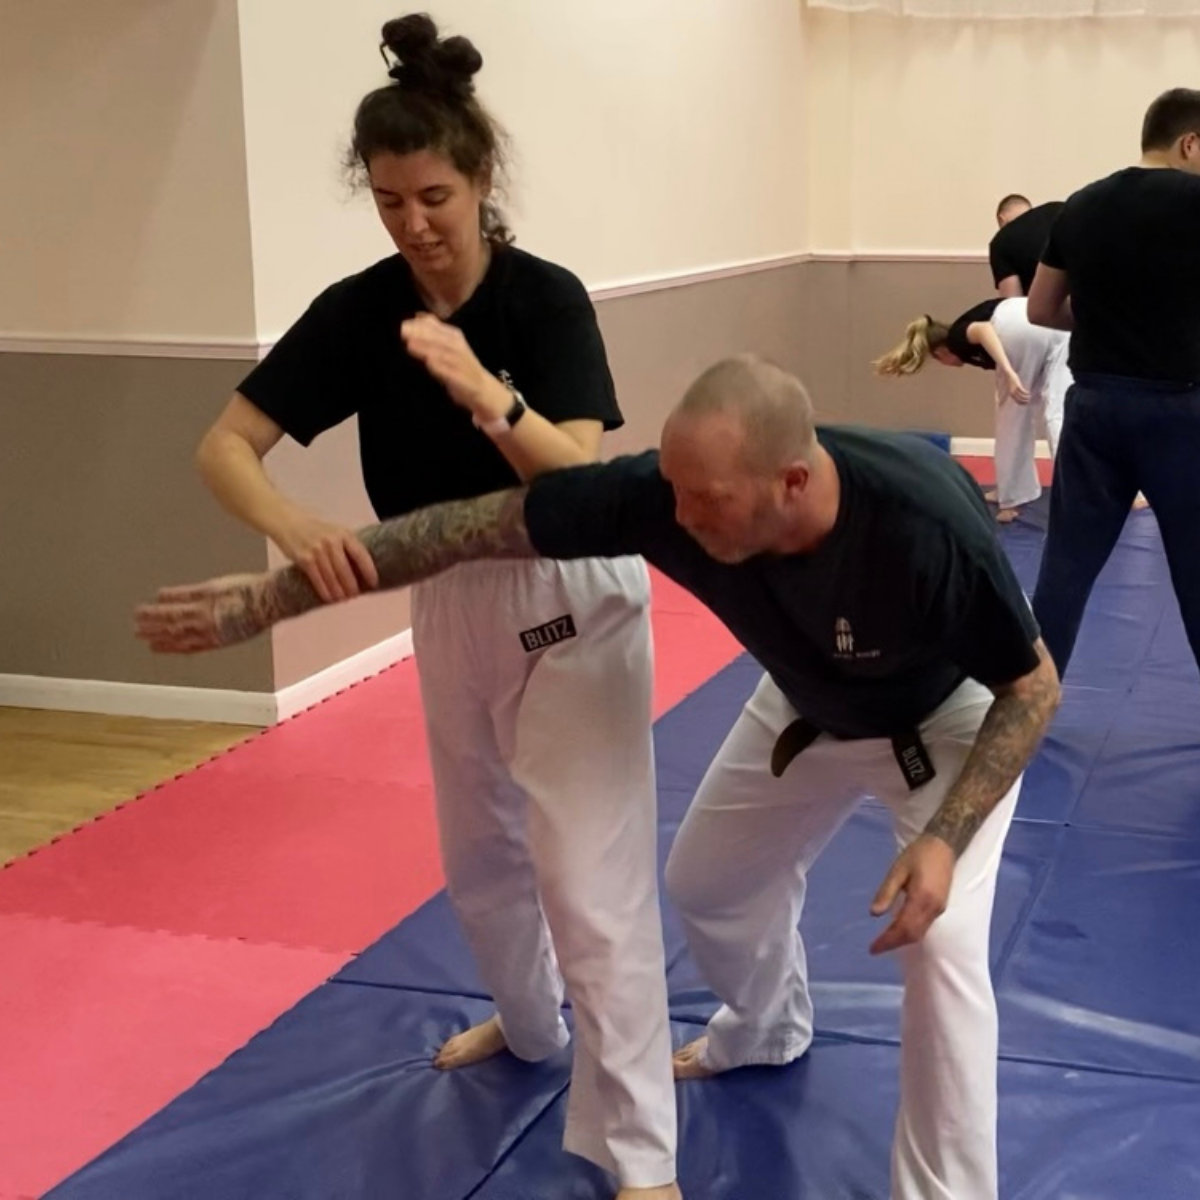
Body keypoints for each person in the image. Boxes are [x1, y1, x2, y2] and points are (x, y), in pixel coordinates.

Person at [137, 354, 1062, 1200]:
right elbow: (468, 530)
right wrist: (272, 598)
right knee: (706, 884)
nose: (681, 519)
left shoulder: (925, 524)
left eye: (706, 501)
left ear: (791, 483)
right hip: (805, 704)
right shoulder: (668, 497)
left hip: (948, 722)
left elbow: (1032, 688)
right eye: (675, 492)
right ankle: (770, 1023)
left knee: (940, 949)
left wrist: (943, 838)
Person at [187, 14, 678, 1199]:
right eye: (390, 199)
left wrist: (486, 397)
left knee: (589, 877)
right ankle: (531, 1026)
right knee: (481, 857)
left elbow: (589, 483)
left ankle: (642, 1151)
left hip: (569, 592)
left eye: (435, 197)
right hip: (443, 600)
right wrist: (295, 526)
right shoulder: (360, 310)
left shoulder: (545, 302)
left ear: (482, 181)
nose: (414, 223)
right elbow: (225, 444)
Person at [1026, 87, 1200, 680]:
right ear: (1190, 142)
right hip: (1178, 411)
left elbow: (1041, 310)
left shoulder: (1081, 204)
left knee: (1066, 567)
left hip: (1095, 408)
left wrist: (1101, 316)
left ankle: (1026, 707)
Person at [874, 298, 1067, 522]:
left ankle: (1011, 499)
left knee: (1012, 415)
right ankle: (1076, 490)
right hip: (1050, 321)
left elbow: (984, 330)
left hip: (1016, 322)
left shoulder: (956, 338)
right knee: (1059, 410)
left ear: (940, 352)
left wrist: (1009, 372)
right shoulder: (965, 340)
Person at [989, 194, 1065, 299]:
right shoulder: (1058, 209)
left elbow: (1013, 302)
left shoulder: (1001, 240)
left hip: (1053, 306)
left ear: (1001, 219)